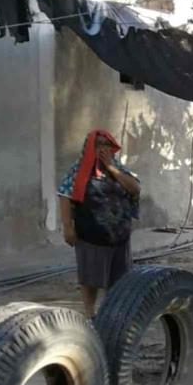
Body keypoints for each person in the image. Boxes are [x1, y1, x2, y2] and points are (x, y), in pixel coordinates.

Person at [57, 130, 141, 317]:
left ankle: (112, 312)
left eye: (106, 144)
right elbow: (64, 195)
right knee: (90, 276)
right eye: (98, 144)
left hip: (118, 234)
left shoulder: (119, 169)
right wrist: (68, 227)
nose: (102, 148)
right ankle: (89, 312)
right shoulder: (78, 172)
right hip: (90, 233)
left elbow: (135, 188)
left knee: (118, 277)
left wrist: (111, 168)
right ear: (89, 148)